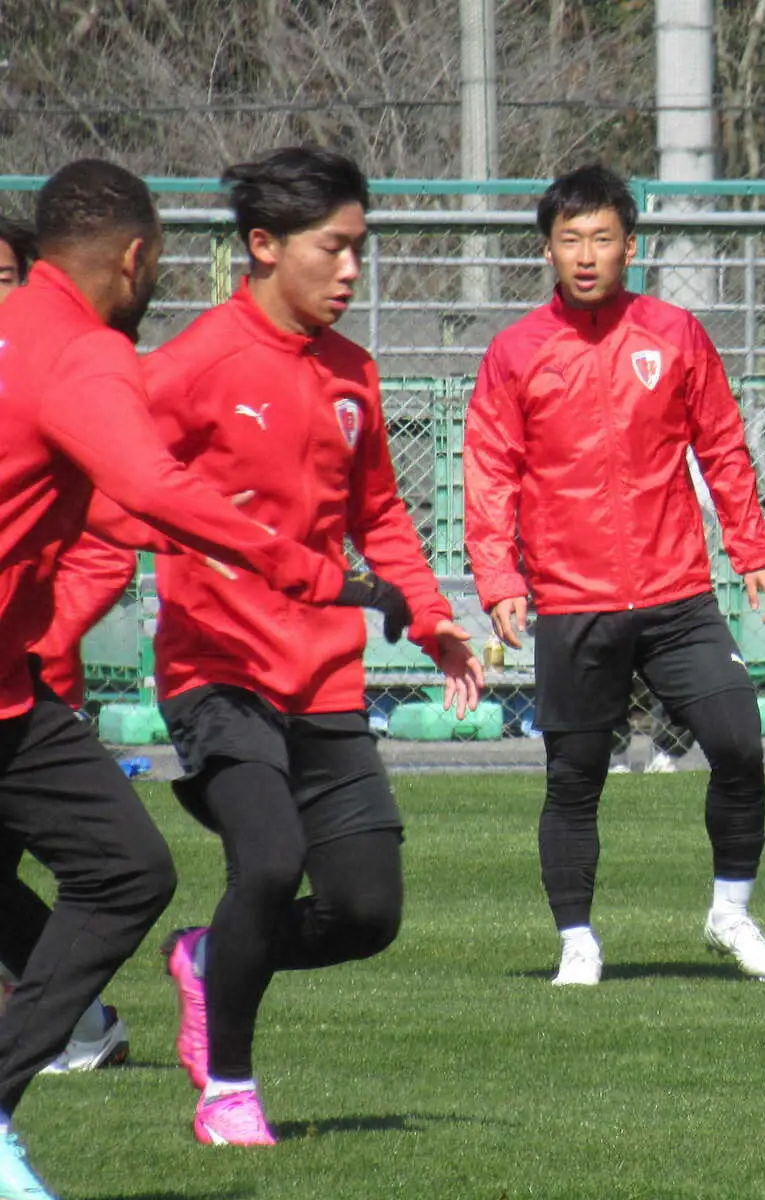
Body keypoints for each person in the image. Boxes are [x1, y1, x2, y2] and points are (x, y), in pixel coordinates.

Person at [0, 159, 410, 1199]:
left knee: (128, 869)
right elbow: (149, 487)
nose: (348, 268)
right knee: (152, 870)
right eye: (334, 246)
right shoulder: (92, 354)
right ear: (135, 259)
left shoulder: (18, 333)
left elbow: (109, 508)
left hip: (16, 690)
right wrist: (308, 569)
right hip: (189, 671)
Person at [119, 146, 482, 1147]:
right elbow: (114, 482)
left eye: (361, 247)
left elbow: (380, 514)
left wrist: (429, 616)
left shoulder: (353, 373)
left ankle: (207, 958)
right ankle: (228, 1092)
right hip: (216, 671)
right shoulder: (192, 366)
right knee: (271, 863)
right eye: (334, 247)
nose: (352, 269)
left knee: (367, 913)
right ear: (265, 246)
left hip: (323, 674)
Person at [464, 163, 765, 987]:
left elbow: (722, 443)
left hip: (678, 595)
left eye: (602, 239)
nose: (586, 255)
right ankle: (577, 940)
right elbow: (490, 471)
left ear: (630, 247)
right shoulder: (515, 353)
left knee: (738, 744)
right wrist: (499, 578)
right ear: (546, 250)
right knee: (574, 779)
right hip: (574, 603)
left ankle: (731, 915)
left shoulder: (676, 335)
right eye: (570, 239)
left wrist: (752, 548)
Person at [0, 215, 136, 1078]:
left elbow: (108, 541)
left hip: (29, 684)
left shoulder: (55, 382)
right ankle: (78, 1026)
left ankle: (76, 1027)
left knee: (117, 868)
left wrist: (41, 633)